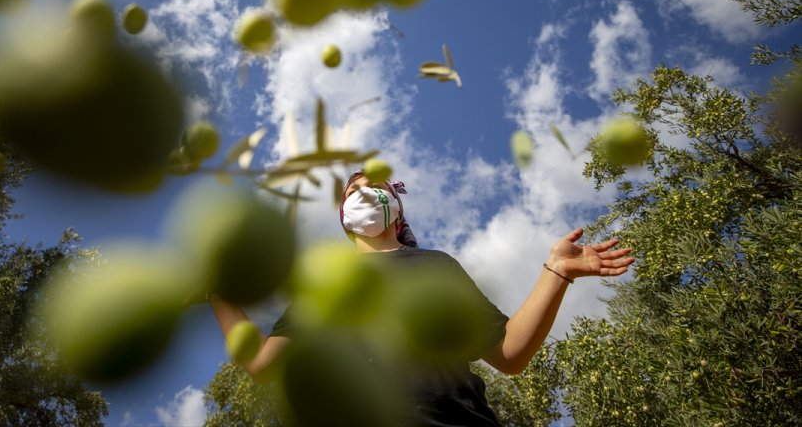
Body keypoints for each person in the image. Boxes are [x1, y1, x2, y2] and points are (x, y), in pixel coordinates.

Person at [208, 170, 634, 425]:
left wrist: (556, 271)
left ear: (395, 206)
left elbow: (509, 353)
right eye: (349, 191)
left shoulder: (435, 265)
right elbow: (263, 364)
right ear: (343, 219)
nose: (359, 193)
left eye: (372, 186)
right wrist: (219, 295)